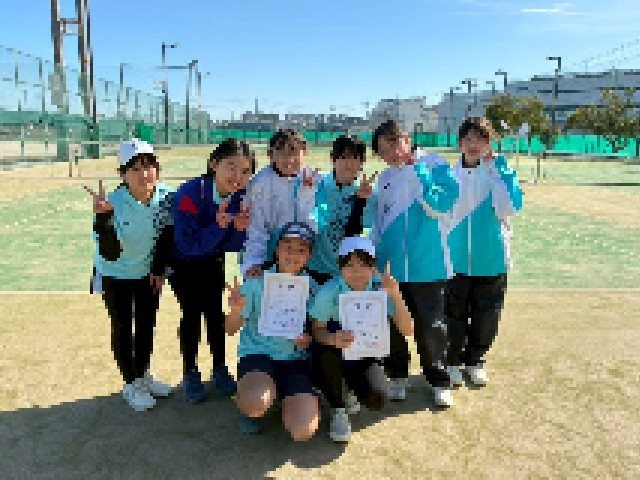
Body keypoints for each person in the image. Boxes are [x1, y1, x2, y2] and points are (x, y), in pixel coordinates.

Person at [364, 120, 459, 407]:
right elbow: (378, 223)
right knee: (392, 324)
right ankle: (397, 375)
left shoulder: (435, 164)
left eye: (395, 144)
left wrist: (420, 172)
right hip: (390, 266)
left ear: (406, 138)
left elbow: (440, 206)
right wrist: (374, 259)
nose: (392, 154)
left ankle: (438, 380)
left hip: (428, 264)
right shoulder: (385, 179)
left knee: (431, 326)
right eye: (384, 151)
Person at [85, 139, 174, 412]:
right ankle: (130, 383)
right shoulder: (111, 204)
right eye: (134, 169)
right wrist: (104, 219)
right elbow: (110, 254)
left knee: (146, 325)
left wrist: (158, 270)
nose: (143, 174)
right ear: (122, 174)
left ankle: (143, 374)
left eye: (148, 167)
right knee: (123, 327)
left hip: (147, 274)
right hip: (115, 274)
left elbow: (167, 236)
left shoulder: (166, 198)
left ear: (157, 169)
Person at [169, 138, 254, 403]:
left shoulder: (241, 196)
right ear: (214, 164)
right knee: (192, 314)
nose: (237, 176)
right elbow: (187, 243)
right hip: (183, 263)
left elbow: (230, 245)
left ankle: (219, 368)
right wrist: (219, 228)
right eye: (231, 167)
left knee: (215, 314)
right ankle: (190, 372)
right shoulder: (190, 193)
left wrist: (238, 230)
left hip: (212, 261)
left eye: (245, 171)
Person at [309, 237, 413, 443]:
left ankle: (351, 388)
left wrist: (395, 294)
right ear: (340, 267)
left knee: (377, 399)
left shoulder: (381, 288)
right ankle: (338, 409)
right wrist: (332, 339)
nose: (356, 272)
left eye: (364, 265)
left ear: (373, 267)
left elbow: (407, 330)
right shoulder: (329, 291)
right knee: (325, 353)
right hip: (335, 350)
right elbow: (316, 331)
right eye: (349, 265)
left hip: (364, 353)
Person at [445, 117, 523, 387]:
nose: (473, 144)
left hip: (492, 259)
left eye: (480, 139)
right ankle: (452, 362)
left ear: (489, 143)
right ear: (460, 143)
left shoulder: (499, 173)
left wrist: (497, 172)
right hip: (454, 261)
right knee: (452, 315)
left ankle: (475, 361)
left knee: (487, 315)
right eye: (468, 138)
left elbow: (508, 208)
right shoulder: (450, 176)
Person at [225, 222, 320, 440]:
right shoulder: (256, 283)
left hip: (294, 360)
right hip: (257, 355)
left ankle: (283, 394)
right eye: (288, 247)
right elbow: (230, 329)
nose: (293, 254)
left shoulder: (313, 288)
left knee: (302, 431)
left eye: (301, 250)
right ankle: (252, 403)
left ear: (309, 256)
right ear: (277, 250)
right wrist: (236, 310)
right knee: (255, 403)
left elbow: (318, 329)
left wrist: (309, 339)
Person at [241, 129, 318, 279]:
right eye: (281, 152)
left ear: (305, 153)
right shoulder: (259, 184)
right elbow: (255, 227)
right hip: (268, 260)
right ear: (270, 155)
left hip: (303, 261)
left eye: (294, 151)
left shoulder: (315, 180)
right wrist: (254, 261)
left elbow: (315, 224)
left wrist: (306, 194)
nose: (289, 159)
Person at [306, 135, 376, 285]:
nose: (348, 163)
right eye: (343, 157)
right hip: (313, 268)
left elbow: (361, 230)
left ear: (362, 163)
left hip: (346, 272)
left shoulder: (369, 193)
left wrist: (362, 200)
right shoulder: (317, 185)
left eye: (354, 158)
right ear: (333, 159)